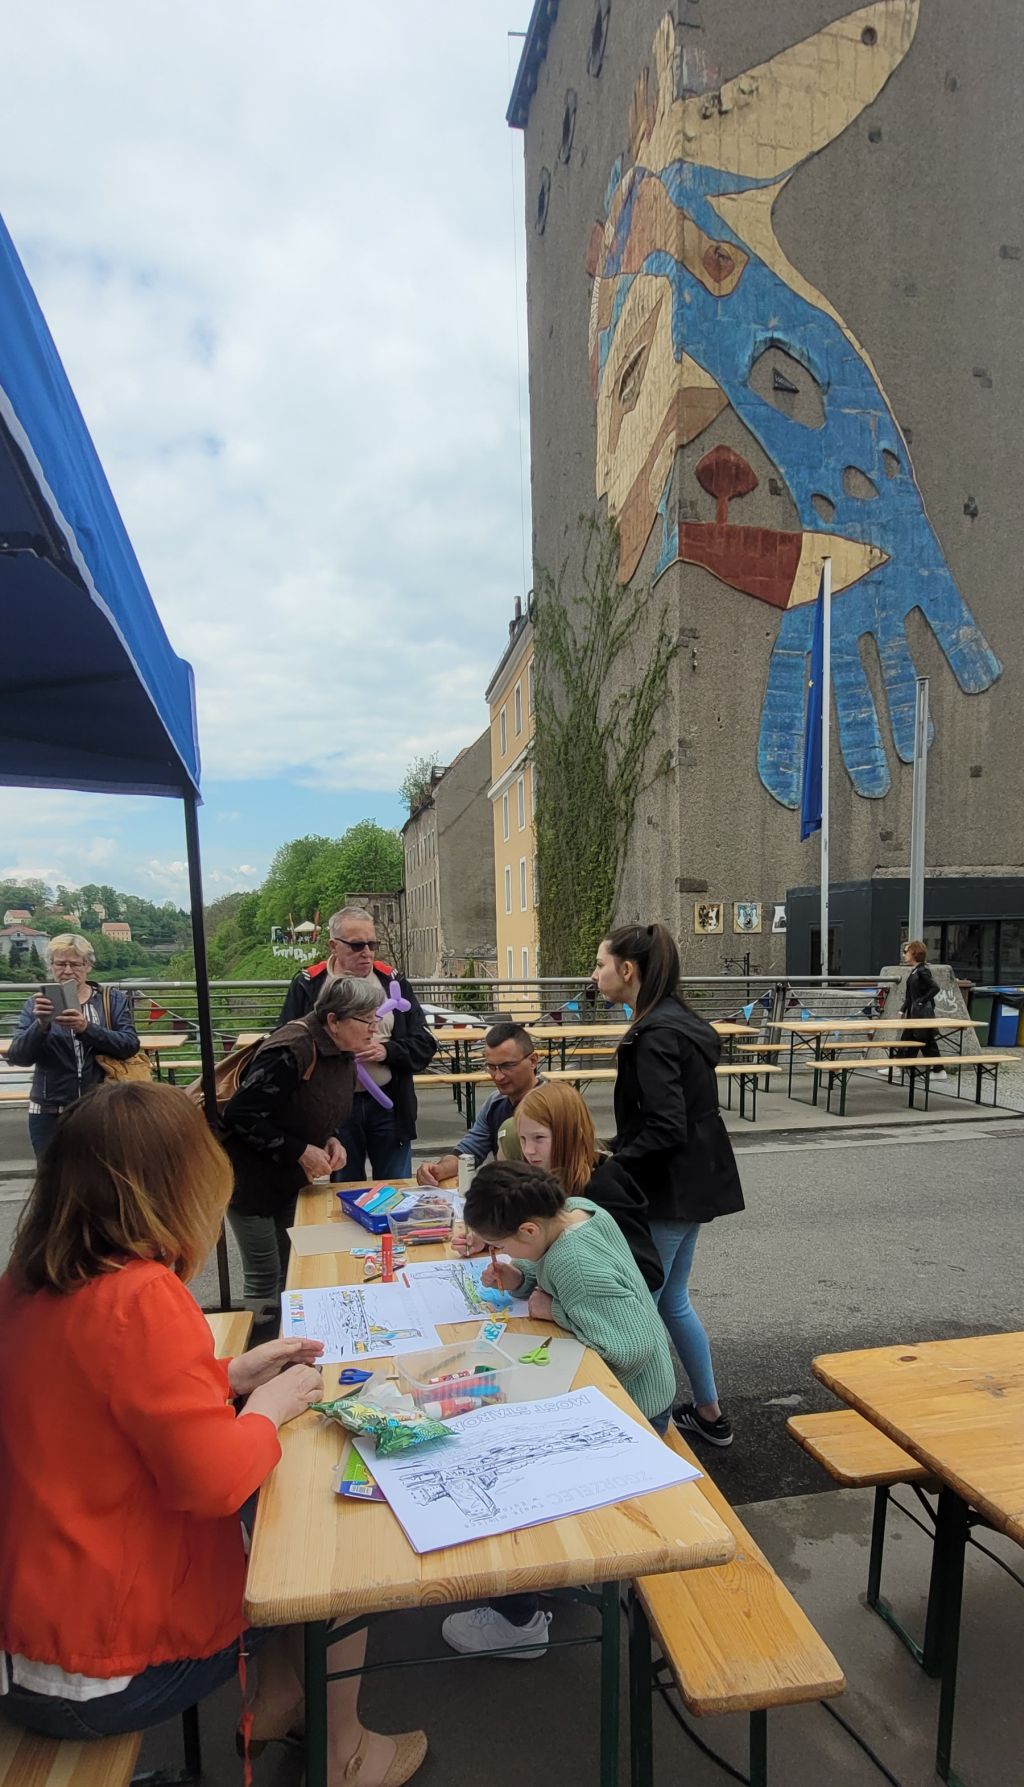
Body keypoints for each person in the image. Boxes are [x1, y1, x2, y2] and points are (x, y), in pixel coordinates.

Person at [0, 1081, 427, 1787]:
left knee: (295, 1524)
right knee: (344, 1547)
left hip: (34, 1638)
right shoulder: (142, 1293)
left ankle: (281, 1696)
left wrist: (229, 1374)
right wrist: (268, 1405)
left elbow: (106, 1400)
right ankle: (346, 1751)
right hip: (104, 1667)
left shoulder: (29, 1281)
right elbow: (212, 1480)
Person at [440, 1159, 675, 1660]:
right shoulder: (578, 1212)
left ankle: (518, 1619)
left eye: (502, 1245)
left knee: (506, 1471)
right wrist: (520, 1276)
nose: (500, 1253)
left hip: (631, 1404)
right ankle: (534, 1589)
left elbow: (628, 1345)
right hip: (634, 1391)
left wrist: (554, 1310)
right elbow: (551, 1266)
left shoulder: (573, 1262)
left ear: (528, 1227)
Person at [594, 922, 744, 1449]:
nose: (596, 975)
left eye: (601, 964)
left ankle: (644, 1424)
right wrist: (616, 1146)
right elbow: (664, 1119)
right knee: (671, 1300)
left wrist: (612, 1165)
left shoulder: (655, 1032)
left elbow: (664, 1125)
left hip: (670, 1187)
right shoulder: (675, 1021)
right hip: (693, 1181)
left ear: (627, 971)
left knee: (640, 1307)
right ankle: (708, 1412)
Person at [221, 975, 379, 1312]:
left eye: (375, 1019)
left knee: (295, 1268)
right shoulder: (291, 1050)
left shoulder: (342, 1050)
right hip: (251, 1184)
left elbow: (312, 1107)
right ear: (334, 1020)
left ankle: (289, 1342)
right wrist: (301, 1151)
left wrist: (330, 1138)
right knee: (265, 1276)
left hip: (290, 1179)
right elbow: (240, 1115)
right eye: (367, 1021)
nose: (374, 1029)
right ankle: (261, 1350)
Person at [278, 908, 437, 1181]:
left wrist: (387, 1051)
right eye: (356, 945)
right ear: (333, 946)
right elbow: (286, 1046)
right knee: (343, 1191)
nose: (367, 952)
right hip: (334, 1110)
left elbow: (424, 1043)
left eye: (372, 944)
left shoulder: (392, 981)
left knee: (396, 1188)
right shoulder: (309, 985)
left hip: (390, 1106)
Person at [513, 1081, 663, 1292]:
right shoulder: (548, 1178)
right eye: (522, 1139)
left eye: (539, 1138)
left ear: (569, 1134)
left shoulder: (602, 1188)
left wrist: (559, 1306)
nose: (528, 1150)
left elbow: (647, 1273)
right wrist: (501, 1242)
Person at [8, 932, 140, 1158]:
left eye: (75, 964)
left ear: (88, 966)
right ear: (50, 966)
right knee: (52, 1181)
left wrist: (86, 1029)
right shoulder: (35, 1005)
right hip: (49, 1110)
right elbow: (18, 1056)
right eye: (60, 963)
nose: (68, 970)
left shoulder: (112, 999)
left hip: (101, 1107)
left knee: (101, 1178)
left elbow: (129, 1045)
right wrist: (41, 1025)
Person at [416, 1023, 541, 1186]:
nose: (498, 1076)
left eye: (507, 1066)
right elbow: (469, 1151)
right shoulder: (494, 1102)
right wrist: (437, 1170)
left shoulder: (556, 1104)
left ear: (533, 1061)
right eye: (491, 1067)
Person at [878, 940, 946, 1080]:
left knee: (925, 1041)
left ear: (914, 953)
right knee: (909, 1039)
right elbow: (910, 994)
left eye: (906, 952)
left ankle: (938, 1070)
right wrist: (902, 1010)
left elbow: (935, 988)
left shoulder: (923, 971)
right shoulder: (915, 970)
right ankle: (899, 1067)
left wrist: (921, 1001)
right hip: (914, 1013)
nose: (904, 955)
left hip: (922, 1014)